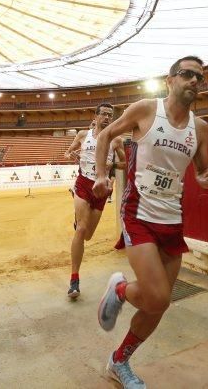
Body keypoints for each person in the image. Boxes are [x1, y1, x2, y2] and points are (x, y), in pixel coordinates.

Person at [91, 56, 208, 388]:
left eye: (200, 77)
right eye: (188, 74)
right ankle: (120, 289)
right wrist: (101, 175)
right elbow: (106, 135)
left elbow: (201, 170)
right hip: (139, 214)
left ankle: (118, 361)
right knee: (159, 297)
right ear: (170, 80)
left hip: (172, 220)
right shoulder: (147, 110)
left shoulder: (200, 128)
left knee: (157, 307)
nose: (194, 80)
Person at [63, 103, 125, 299]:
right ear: (96, 116)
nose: (107, 117)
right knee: (81, 230)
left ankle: (80, 221)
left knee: (88, 235)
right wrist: (71, 154)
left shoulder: (116, 140)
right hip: (83, 183)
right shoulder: (83, 135)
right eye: (104, 114)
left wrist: (113, 163)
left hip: (101, 189)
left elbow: (124, 163)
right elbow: (68, 152)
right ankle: (74, 280)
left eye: (110, 115)